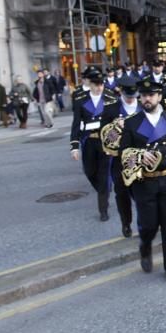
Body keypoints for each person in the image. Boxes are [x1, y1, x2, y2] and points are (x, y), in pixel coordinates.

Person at [118, 78, 166, 281]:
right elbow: (123, 154)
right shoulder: (132, 122)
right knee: (148, 226)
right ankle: (145, 246)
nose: (147, 99)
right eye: (144, 96)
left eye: (151, 95)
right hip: (144, 183)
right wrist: (138, 155)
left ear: (159, 97)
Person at [70, 66, 118, 222]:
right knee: (90, 172)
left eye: (101, 84)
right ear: (90, 84)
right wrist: (74, 147)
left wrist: (115, 144)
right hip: (88, 141)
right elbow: (76, 124)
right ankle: (103, 190)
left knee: (104, 175)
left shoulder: (110, 99)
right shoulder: (81, 100)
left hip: (105, 142)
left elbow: (115, 124)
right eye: (95, 84)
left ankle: (103, 208)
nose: (99, 87)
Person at [102, 77, 142, 239]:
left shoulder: (143, 107)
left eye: (133, 95)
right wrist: (114, 128)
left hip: (139, 159)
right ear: (121, 92)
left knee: (141, 195)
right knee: (122, 194)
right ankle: (126, 223)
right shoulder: (111, 109)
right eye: (128, 95)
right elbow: (103, 135)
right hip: (119, 160)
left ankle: (144, 223)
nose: (131, 98)